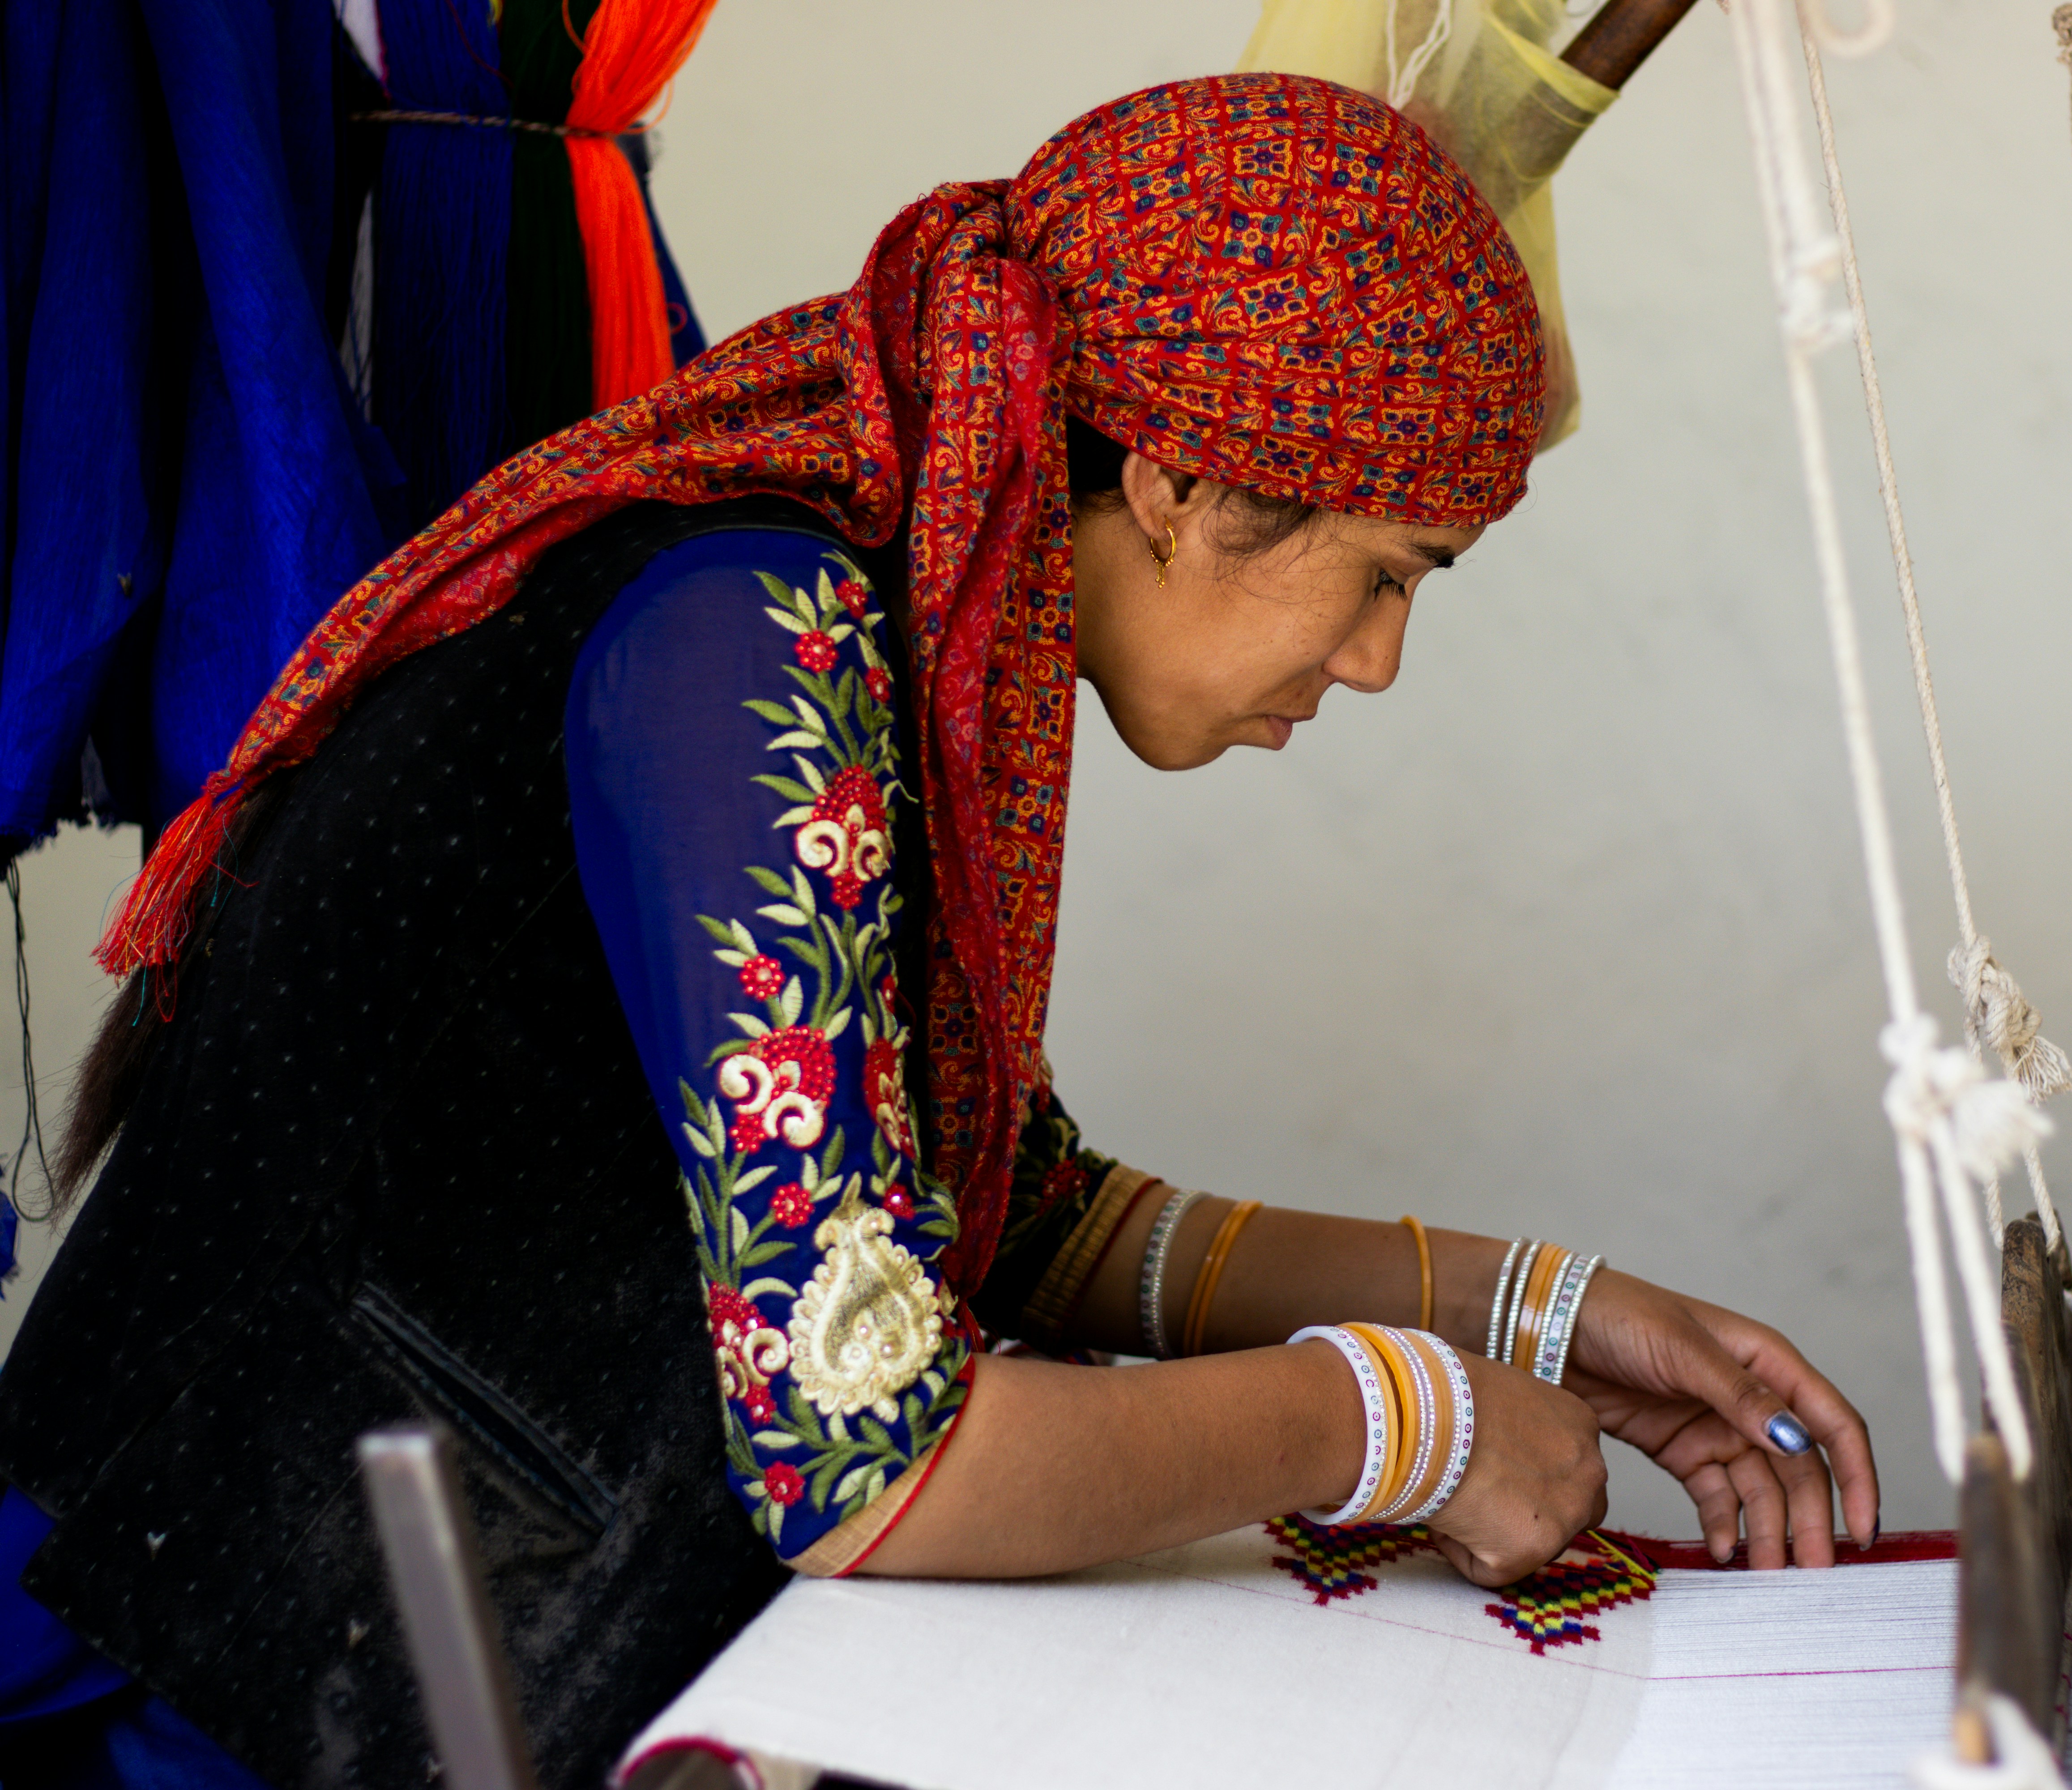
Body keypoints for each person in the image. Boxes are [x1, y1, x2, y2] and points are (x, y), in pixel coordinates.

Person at [0, 72, 1878, 1790]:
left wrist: (1542, 1309)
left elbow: (1022, 1211)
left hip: (368, 1632)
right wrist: (1397, 1422)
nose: (1376, 663)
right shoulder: (753, 639)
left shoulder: (891, 624)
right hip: (202, 1675)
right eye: (1381, 578)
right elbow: (870, 1460)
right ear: (1175, 481)